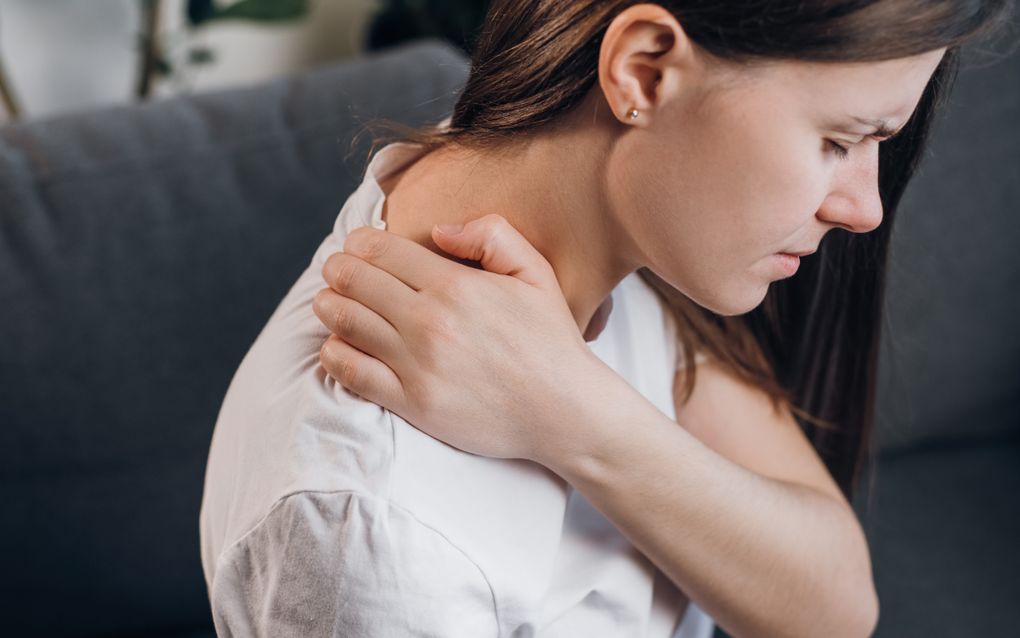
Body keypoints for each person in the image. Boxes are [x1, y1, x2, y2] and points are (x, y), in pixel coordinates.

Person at [200, 1, 1011, 636]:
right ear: (644, 71)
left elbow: (832, 603)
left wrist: (572, 411)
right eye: (840, 139)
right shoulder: (372, 541)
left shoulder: (572, 197)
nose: (865, 208)